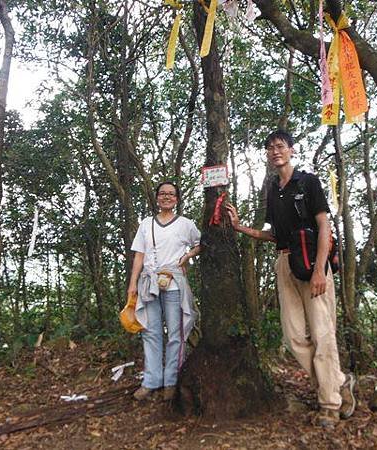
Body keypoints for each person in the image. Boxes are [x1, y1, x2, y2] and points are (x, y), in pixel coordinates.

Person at [226, 130, 356, 427]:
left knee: (323, 333)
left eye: (280, 146)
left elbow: (324, 226)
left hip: (312, 263)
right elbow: (274, 234)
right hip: (285, 261)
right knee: (294, 336)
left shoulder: (308, 182)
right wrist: (239, 227)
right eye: (270, 147)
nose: (275, 151)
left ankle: (329, 404)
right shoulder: (274, 189)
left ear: (292, 151)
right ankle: (338, 381)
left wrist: (321, 269)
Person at [128, 181, 201, 402]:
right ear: (157, 198)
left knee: (176, 335)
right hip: (149, 282)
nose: (167, 197)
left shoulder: (186, 224)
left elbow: (201, 243)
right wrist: (132, 285)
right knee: (150, 332)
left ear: (177, 199)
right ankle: (151, 381)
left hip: (174, 282)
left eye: (171, 194)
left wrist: (187, 256)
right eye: (162, 194)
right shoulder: (146, 224)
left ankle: (172, 381)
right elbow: (139, 255)